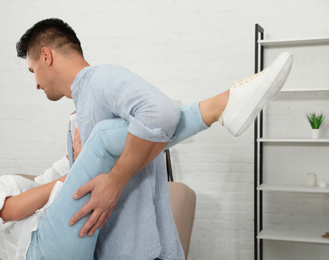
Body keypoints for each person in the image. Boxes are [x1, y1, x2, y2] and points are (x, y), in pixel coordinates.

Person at [15, 18, 293, 259]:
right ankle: (221, 107)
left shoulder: (99, 79)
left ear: (47, 56)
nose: (36, 83)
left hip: (139, 251)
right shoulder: (82, 107)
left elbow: (160, 112)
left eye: (32, 71)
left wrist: (115, 181)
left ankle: (222, 104)